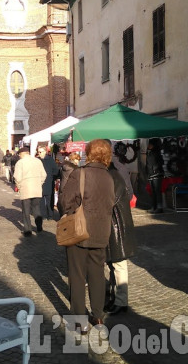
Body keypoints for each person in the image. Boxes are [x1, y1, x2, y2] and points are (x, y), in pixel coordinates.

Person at [58, 139, 115, 334]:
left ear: (88, 153)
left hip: (79, 231)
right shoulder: (109, 177)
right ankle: (98, 316)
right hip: (101, 231)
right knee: (97, 274)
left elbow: (65, 201)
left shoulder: (80, 173)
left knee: (77, 275)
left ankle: (80, 321)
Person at [105, 161, 137, 315]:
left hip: (117, 223)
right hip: (113, 223)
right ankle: (115, 297)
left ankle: (121, 300)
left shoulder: (114, 174)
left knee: (119, 264)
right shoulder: (112, 172)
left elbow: (111, 201)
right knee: (112, 263)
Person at [13, 147, 46, 236]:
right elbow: (44, 174)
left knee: (26, 211)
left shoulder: (20, 163)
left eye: (19, 155)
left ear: (22, 154)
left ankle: (27, 230)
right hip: (36, 188)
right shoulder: (37, 161)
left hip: (26, 188)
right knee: (36, 208)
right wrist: (39, 183)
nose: (19, 156)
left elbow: (17, 177)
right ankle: (39, 227)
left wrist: (19, 187)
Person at [37, 146, 59, 220]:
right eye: (38, 152)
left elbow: (55, 170)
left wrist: (52, 178)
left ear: (45, 152)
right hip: (39, 183)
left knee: (50, 200)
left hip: (49, 182)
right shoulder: (37, 160)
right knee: (41, 200)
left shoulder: (50, 160)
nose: (39, 153)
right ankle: (42, 215)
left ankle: (50, 215)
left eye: (40, 152)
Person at [145, 138, 164, 213]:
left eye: (150, 144)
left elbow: (160, 162)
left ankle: (159, 207)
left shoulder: (157, 153)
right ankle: (154, 206)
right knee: (153, 191)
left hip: (156, 174)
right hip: (151, 174)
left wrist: (154, 169)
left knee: (157, 191)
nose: (148, 146)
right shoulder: (149, 152)